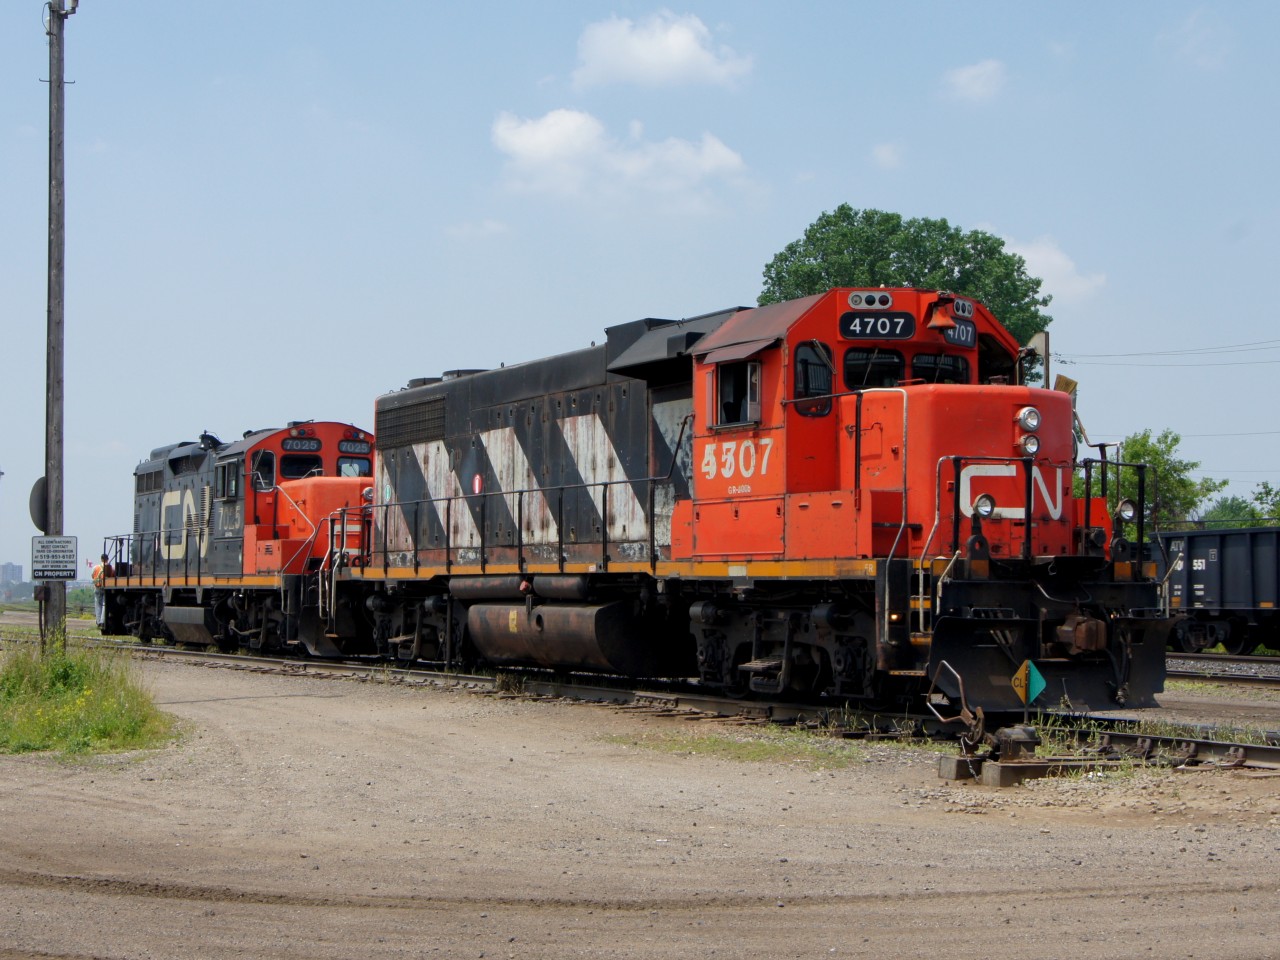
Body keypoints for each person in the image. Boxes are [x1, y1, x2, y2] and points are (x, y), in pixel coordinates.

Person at [91, 553, 114, 631]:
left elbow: (92, 575)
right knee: (104, 604)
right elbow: (113, 576)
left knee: (98, 605)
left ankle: (98, 621)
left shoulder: (96, 567)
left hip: (97, 587)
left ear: (101, 559)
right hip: (106, 588)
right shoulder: (111, 568)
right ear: (107, 559)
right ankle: (102, 621)